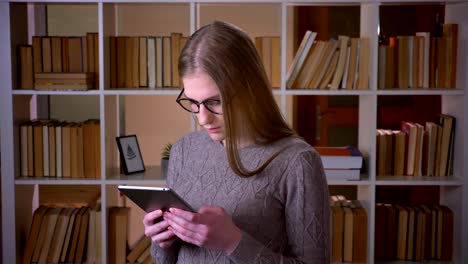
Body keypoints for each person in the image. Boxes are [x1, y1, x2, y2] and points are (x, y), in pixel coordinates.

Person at [143, 20, 330, 263]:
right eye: (193, 102)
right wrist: (161, 241)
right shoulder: (183, 150)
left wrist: (233, 241)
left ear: (250, 89)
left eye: (215, 101)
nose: (202, 118)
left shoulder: (297, 162)